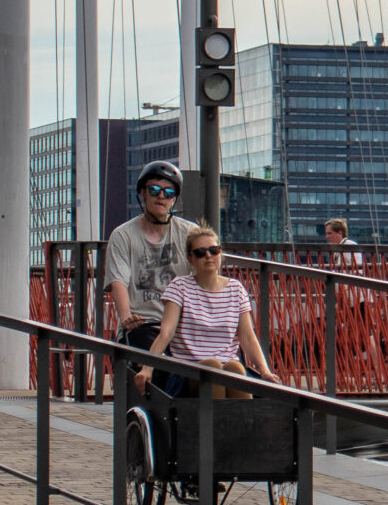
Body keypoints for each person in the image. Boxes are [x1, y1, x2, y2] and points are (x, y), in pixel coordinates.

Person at [133, 227, 277, 398]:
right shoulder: (180, 287)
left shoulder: (236, 289)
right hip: (188, 371)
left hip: (228, 365)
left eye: (213, 250)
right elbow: (166, 332)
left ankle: (240, 423)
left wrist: (265, 372)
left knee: (235, 368)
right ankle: (216, 423)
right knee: (213, 367)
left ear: (220, 254)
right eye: (200, 252)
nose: (208, 255)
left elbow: (247, 337)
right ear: (191, 259)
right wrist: (147, 368)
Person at [105, 161, 197, 357]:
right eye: (154, 190)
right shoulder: (123, 235)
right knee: (154, 363)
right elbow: (118, 281)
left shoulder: (189, 233)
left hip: (184, 324)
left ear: (174, 198)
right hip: (144, 323)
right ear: (142, 193)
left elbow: (204, 276)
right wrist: (126, 317)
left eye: (169, 192)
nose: (161, 196)